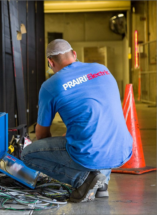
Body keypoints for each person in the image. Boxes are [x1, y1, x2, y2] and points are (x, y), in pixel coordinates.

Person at [21, 39, 133, 203]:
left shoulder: (50, 85)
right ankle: (102, 185)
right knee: (97, 140)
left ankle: (83, 179)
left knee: (28, 154)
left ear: (50, 63)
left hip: (92, 153)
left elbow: (42, 133)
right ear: (74, 54)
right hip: (122, 148)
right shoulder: (102, 69)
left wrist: (58, 153)